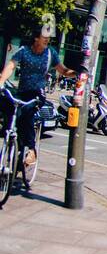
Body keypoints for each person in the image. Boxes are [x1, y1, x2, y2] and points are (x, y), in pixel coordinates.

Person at [0, 31, 75, 170]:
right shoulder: (24, 51)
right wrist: (1, 81)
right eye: (44, 37)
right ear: (36, 38)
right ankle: (16, 144)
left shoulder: (50, 53)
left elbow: (63, 70)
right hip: (22, 92)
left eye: (49, 38)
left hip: (37, 93)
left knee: (27, 114)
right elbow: (11, 65)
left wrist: (76, 73)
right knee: (8, 107)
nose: (47, 40)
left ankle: (32, 150)